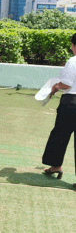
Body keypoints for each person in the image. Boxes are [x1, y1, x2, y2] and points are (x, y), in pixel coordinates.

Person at [42, 33, 76, 187]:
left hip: (71, 103)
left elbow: (67, 84)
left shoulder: (73, 61)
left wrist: (55, 87)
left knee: (60, 135)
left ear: (74, 45)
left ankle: (55, 166)